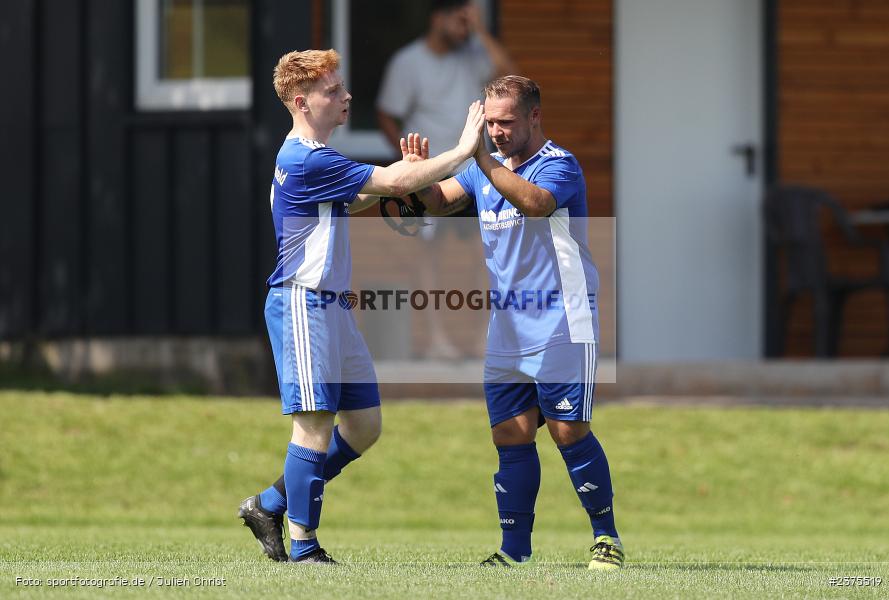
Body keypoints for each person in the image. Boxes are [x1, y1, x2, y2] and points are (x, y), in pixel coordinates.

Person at [237, 48, 485, 564]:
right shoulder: (304, 157)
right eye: (333, 90)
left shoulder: (317, 158)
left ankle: (270, 503)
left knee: (365, 426)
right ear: (302, 102)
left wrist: (411, 172)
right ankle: (304, 549)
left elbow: (367, 194)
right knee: (314, 426)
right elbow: (388, 184)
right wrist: (462, 149)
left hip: (333, 309)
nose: (346, 96)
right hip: (303, 305)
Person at [408, 75, 624, 569]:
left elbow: (536, 204)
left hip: (562, 320)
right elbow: (440, 201)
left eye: (506, 122)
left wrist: (480, 157)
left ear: (534, 117)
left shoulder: (559, 164)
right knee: (510, 434)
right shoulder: (488, 169)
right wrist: (419, 179)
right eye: (490, 123)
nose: (497, 132)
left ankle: (606, 538)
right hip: (507, 325)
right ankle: (514, 551)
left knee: (568, 431)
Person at [376, 0, 516, 359]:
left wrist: (481, 31)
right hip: (431, 177)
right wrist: (409, 166)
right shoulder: (408, 62)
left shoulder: (474, 54)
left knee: (484, 256)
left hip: (475, 172)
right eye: (460, 19)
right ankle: (437, 341)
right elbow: (386, 114)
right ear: (438, 18)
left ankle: (482, 338)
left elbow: (509, 72)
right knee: (429, 256)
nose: (465, 26)